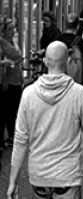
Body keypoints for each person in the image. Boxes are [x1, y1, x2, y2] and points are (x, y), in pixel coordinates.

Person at [6, 41, 83, 199]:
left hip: (39, 176)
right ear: (67, 61)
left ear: (45, 62)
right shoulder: (79, 94)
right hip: (67, 176)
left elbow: (20, 140)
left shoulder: (29, 94)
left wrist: (13, 181)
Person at [0, 17, 23, 151]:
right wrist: (16, 52)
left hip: (15, 77)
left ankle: (11, 135)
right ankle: (9, 136)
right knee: (8, 109)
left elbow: (17, 57)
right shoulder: (3, 42)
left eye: (13, 28)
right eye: (10, 29)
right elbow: (17, 54)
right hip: (8, 80)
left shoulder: (10, 41)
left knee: (14, 109)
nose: (13, 31)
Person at [57, 14, 83, 85]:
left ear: (65, 24)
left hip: (60, 80)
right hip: (76, 82)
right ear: (78, 26)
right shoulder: (80, 42)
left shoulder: (57, 41)